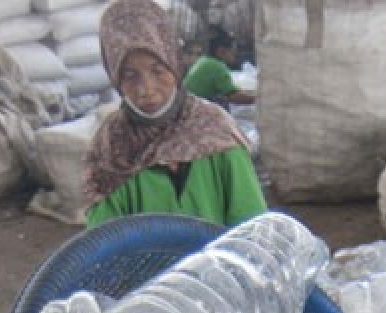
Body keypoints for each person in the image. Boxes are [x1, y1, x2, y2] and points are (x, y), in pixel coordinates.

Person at [83, 0, 265, 228]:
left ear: (174, 63)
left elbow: (252, 224)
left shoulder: (216, 130)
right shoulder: (112, 147)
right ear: (115, 78)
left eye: (158, 71)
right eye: (130, 76)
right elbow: (104, 243)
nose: (147, 90)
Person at [183, 27, 256, 106]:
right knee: (223, 103)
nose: (235, 53)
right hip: (191, 108)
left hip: (187, 104)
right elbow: (233, 97)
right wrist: (258, 99)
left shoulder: (204, 60)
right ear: (221, 51)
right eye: (232, 50)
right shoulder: (217, 67)